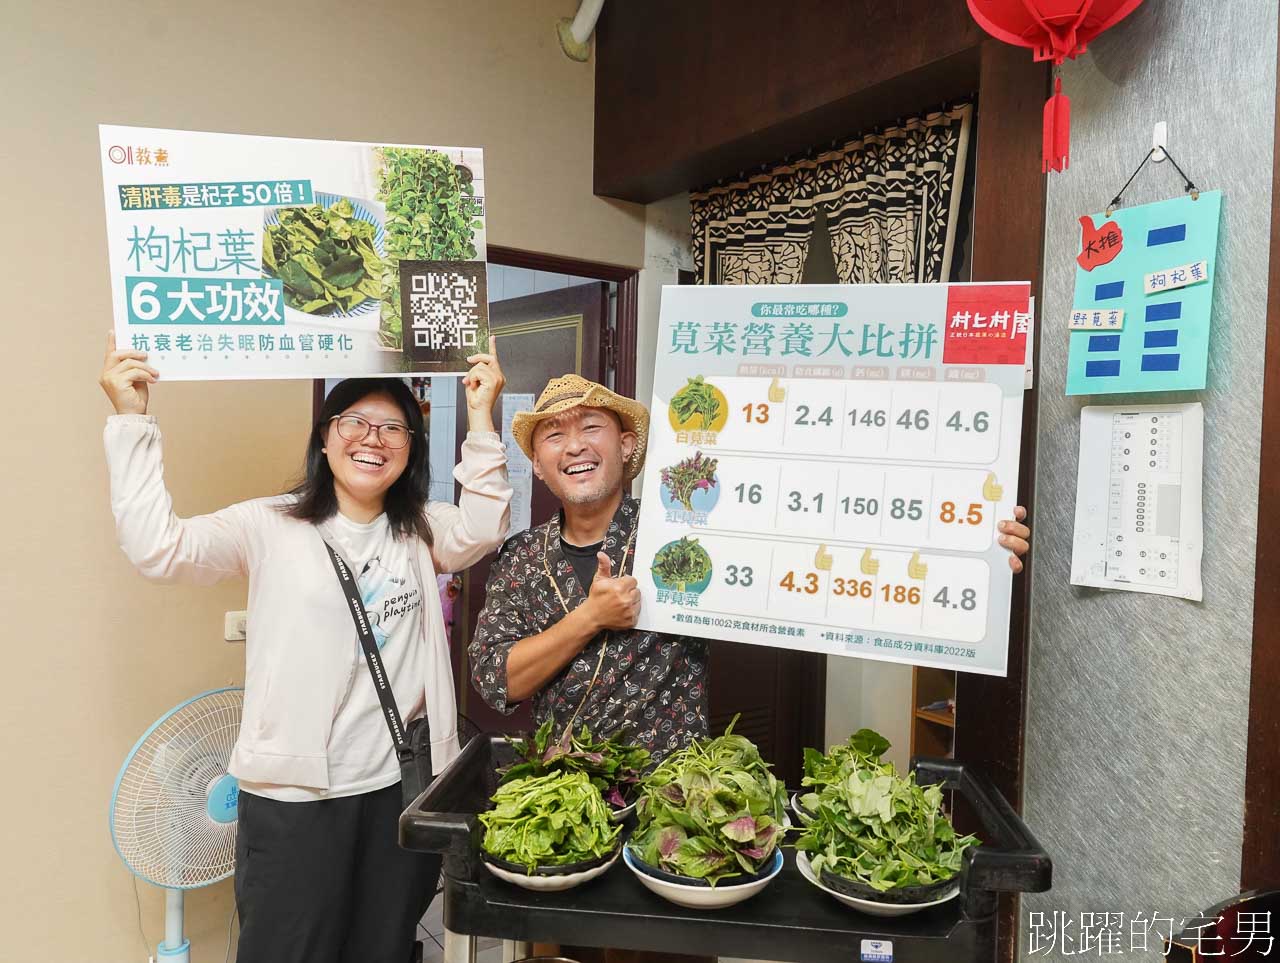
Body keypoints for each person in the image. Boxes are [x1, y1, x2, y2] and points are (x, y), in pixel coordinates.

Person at [99, 332, 511, 963]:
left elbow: (485, 524)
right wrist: (132, 420)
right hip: (296, 801)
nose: (373, 438)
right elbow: (159, 548)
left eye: (394, 429)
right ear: (325, 437)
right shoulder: (267, 525)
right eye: (356, 422)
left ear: (411, 449)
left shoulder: (423, 528)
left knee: (384, 947)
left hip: (400, 788)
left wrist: (481, 418)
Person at [469, 374, 1032, 760]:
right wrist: (589, 618)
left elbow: (830, 538)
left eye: (591, 427)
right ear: (539, 466)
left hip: (676, 794)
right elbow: (497, 679)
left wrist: (971, 544)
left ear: (626, 443)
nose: (574, 446)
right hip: (561, 798)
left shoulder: (688, 528)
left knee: (660, 938)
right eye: (554, 434)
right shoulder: (519, 559)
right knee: (560, 940)